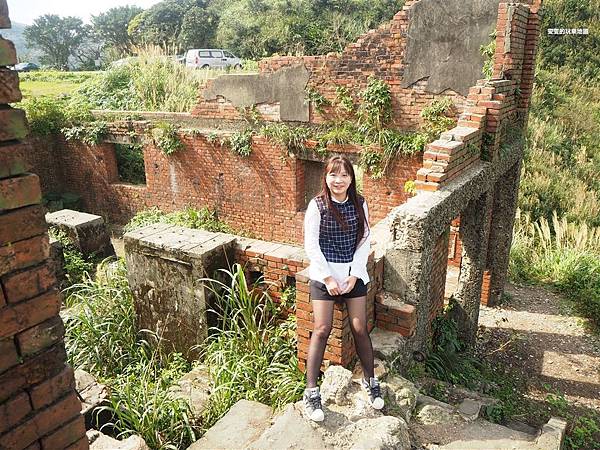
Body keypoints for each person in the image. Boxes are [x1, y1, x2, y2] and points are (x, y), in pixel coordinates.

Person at [302, 155, 384, 422]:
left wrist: (353, 276)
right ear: (325, 177)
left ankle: (370, 381)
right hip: (324, 275)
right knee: (322, 329)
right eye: (333, 175)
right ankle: (312, 391)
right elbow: (311, 246)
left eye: (344, 175)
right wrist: (327, 278)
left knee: (360, 326)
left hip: (352, 274)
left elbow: (364, 240)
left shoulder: (360, 203)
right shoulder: (318, 206)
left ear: (352, 178)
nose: (338, 181)